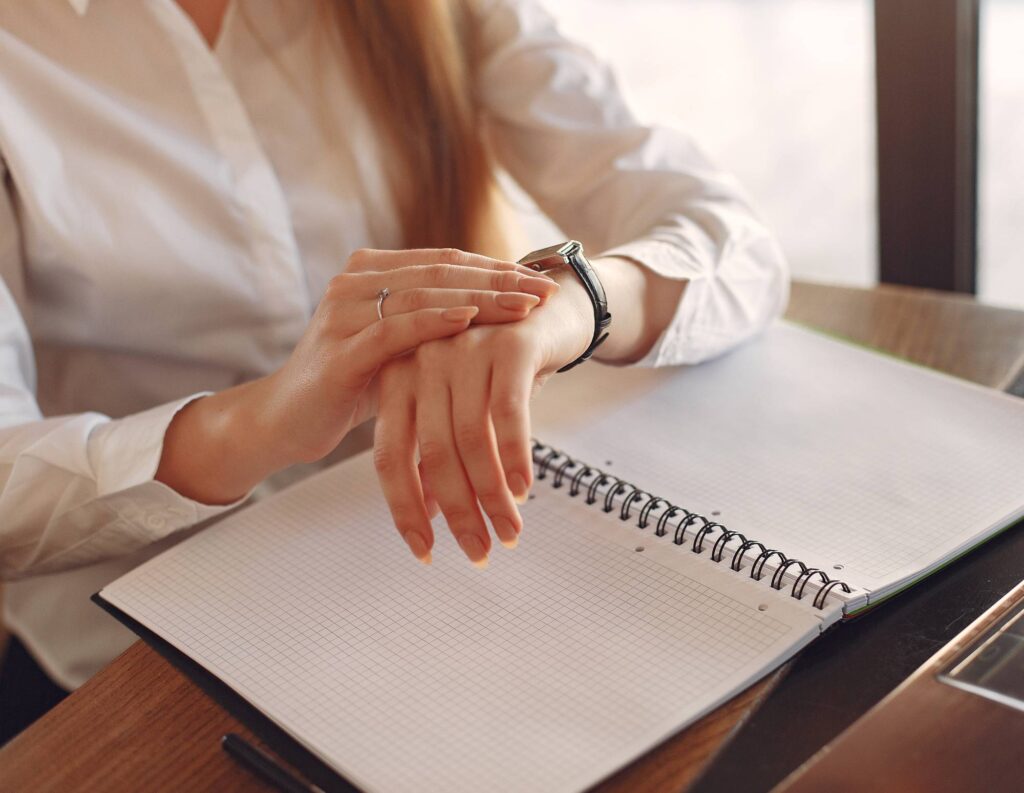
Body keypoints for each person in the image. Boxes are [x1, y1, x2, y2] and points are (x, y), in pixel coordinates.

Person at [0, 0, 788, 743]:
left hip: (443, 587)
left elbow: (735, 244)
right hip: (128, 667)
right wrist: (258, 422)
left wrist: (565, 306)